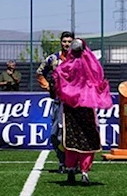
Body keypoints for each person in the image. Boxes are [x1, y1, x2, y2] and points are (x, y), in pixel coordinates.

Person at [53, 38, 113, 186]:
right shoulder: (92, 64)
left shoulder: (67, 65)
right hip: (87, 106)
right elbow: (99, 78)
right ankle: (84, 172)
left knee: (71, 138)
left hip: (71, 107)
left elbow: (57, 76)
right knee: (88, 139)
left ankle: (71, 169)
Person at [36, 31, 74, 173]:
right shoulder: (52, 59)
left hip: (75, 104)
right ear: (61, 42)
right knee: (55, 135)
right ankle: (62, 161)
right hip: (58, 102)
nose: (66, 44)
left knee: (73, 134)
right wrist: (48, 87)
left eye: (69, 42)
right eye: (64, 41)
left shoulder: (79, 59)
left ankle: (72, 163)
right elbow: (40, 73)